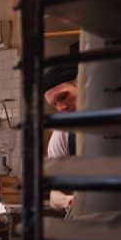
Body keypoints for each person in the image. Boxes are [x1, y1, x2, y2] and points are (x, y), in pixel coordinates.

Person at [43, 64, 78, 212]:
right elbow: (55, 196)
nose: (61, 107)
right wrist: (68, 201)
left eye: (63, 97)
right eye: (55, 104)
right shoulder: (63, 132)